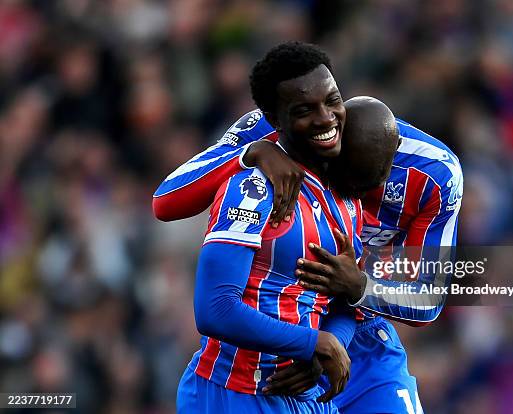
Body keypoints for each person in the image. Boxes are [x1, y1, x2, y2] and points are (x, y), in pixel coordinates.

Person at [156, 41, 462, 413]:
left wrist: (358, 288)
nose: (352, 196)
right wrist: (248, 153)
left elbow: (428, 300)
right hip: (266, 354)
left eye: (364, 186)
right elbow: (165, 201)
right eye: (338, 177)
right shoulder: (265, 143)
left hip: (355, 333)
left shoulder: (434, 176)